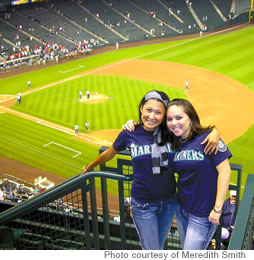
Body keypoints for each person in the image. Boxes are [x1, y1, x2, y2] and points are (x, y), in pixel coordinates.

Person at [82, 90, 219, 250]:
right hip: (143, 205)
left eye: (158, 112)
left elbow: (195, 130)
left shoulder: (170, 132)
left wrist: (216, 132)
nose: (152, 116)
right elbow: (108, 154)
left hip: (169, 203)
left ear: (164, 115)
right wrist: (90, 167)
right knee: (151, 250)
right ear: (141, 108)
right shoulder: (130, 133)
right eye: (148, 110)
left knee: (158, 247)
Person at [166, 98, 232, 250]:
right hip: (182, 209)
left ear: (190, 118)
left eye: (179, 117)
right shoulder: (174, 143)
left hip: (203, 215)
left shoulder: (208, 138)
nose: (174, 122)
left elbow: (225, 171)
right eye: (169, 119)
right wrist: (132, 124)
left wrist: (217, 209)